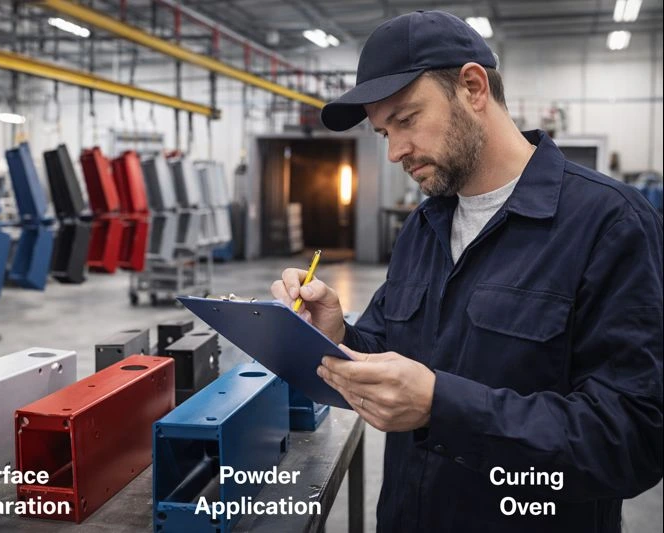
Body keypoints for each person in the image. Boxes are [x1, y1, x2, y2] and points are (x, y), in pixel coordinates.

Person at [271, 10, 663, 533]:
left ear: (473, 87)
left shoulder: (609, 223)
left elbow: (632, 439)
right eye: (384, 131)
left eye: (406, 120)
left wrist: (443, 406)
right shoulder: (424, 227)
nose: (394, 152)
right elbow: (392, 353)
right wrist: (339, 334)